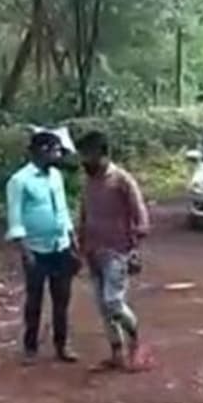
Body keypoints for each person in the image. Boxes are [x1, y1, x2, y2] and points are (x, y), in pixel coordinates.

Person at [76, 131, 151, 372]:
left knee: (113, 301)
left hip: (117, 250)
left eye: (89, 155)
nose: (84, 161)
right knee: (102, 305)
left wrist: (135, 247)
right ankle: (116, 350)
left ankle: (137, 341)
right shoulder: (88, 181)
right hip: (93, 250)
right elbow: (84, 214)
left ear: (104, 154)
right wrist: (80, 245)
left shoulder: (122, 180)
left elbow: (140, 216)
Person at [6, 131, 80, 364]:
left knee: (62, 299)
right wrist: (24, 250)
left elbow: (62, 209)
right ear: (41, 151)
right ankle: (30, 347)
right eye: (55, 150)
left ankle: (62, 344)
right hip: (36, 248)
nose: (58, 155)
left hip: (61, 245)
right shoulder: (19, 181)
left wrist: (72, 236)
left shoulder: (56, 176)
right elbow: (15, 218)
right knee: (34, 300)